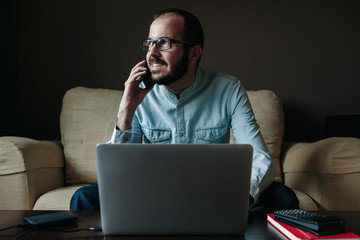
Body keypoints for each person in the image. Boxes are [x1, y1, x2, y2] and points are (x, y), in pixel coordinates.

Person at [70, 8, 299, 212]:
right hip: (153, 192)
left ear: (193, 53)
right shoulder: (139, 94)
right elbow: (115, 175)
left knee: (284, 199)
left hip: (214, 192)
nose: (152, 53)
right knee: (83, 199)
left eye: (164, 43)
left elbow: (260, 158)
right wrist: (127, 109)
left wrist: (241, 198)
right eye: (149, 43)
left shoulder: (228, 88)